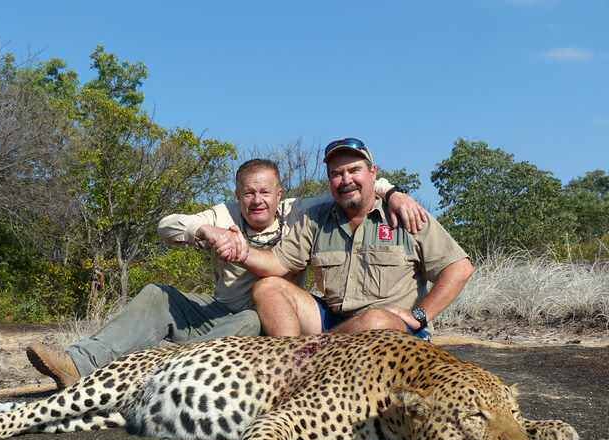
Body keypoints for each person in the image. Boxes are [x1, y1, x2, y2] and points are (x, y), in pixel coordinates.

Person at [26, 158, 428, 388]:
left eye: (265, 192)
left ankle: (157, 372)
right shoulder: (223, 214)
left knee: (258, 314)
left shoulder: (300, 210)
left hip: (262, 318)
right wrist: (205, 230)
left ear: (279, 194)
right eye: (248, 193)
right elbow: (167, 224)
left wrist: (393, 193)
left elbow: (353, 185)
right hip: (218, 307)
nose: (257, 200)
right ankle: (77, 363)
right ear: (238, 196)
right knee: (155, 294)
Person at [211, 138, 474, 339]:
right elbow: (277, 264)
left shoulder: (406, 214)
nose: (345, 179)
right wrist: (240, 251)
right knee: (267, 287)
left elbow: (459, 268)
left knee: (375, 321)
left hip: (392, 330)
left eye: (354, 170)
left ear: (373, 172)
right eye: (336, 174)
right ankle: (290, 365)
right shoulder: (316, 219)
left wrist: (420, 315)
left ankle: (311, 360)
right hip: (333, 323)